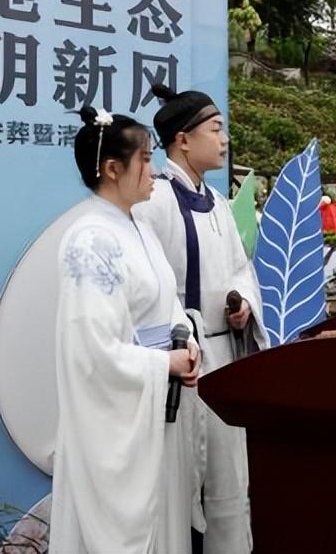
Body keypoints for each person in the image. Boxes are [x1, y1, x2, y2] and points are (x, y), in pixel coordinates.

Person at [51, 106, 202, 554]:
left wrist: (186, 340)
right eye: (146, 160)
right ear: (113, 169)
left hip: (158, 406)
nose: (155, 172)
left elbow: (167, 300)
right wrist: (163, 362)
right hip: (128, 416)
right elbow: (92, 350)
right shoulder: (90, 239)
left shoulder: (138, 230)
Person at [133, 84, 267, 554]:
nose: (224, 139)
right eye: (215, 129)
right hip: (184, 367)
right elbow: (147, 287)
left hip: (224, 356)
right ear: (182, 140)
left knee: (231, 482)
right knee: (180, 483)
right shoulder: (157, 201)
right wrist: (181, 336)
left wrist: (242, 304)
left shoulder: (217, 203)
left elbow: (238, 269)